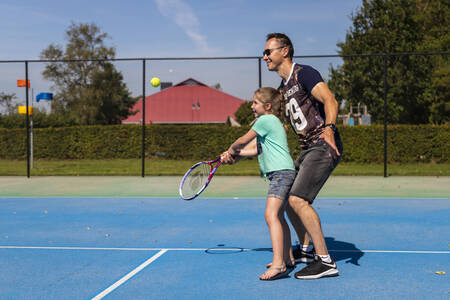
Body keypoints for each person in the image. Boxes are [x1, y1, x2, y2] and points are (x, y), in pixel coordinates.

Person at [262, 32, 343, 280]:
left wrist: (329, 128)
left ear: (284, 51)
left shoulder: (304, 73)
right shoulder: (283, 88)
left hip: (322, 144)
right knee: (286, 199)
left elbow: (330, 100)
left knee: (298, 200)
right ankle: (306, 250)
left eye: (268, 51)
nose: (264, 56)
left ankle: (325, 261)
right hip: (308, 147)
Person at [221, 87, 296, 281]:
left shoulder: (265, 120)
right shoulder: (273, 122)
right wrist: (234, 157)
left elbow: (242, 141)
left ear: (267, 106)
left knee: (271, 215)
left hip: (281, 174)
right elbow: (254, 149)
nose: (252, 106)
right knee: (279, 216)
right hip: (283, 173)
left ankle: (279, 265)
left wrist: (231, 150)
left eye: (255, 102)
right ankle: (286, 258)